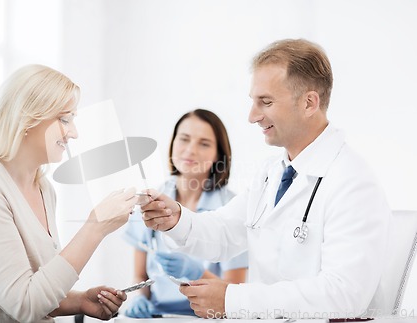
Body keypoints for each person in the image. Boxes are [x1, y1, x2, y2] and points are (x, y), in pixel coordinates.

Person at [140, 39, 391, 319]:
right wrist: (175, 219)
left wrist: (233, 299)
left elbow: (344, 296)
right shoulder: (271, 173)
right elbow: (224, 233)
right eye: (253, 101)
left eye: (266, 102)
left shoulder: (353, 182)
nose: (252, 116)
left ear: (309, 103)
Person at [0, 64, 138, 322]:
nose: (74, 132)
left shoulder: (43, 187)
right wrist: (95, 227)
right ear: (27, 119)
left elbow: (37, 290)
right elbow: (25, 305)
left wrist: (81, 300)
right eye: (65, 119)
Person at [123, 109, 248, 318]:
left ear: (219, 154)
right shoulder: (150, 200)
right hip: (157, 315)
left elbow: (235, 294)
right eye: (184, 139)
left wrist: (196, 272)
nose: (190, 150)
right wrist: (139, 298)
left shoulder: (233, 207)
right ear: (173, 143)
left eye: (204, 143)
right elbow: (139, 275)